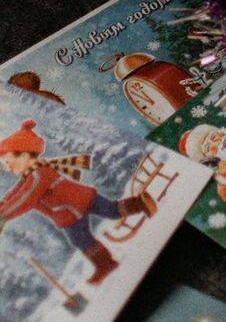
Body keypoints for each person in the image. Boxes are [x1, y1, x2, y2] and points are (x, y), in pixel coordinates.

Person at [0, 118, 155, 285]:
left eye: (7, 162)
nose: (7, 168)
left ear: (24, 155)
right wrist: (3, 205)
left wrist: (4, 215)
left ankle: (106, 263)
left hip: (71, 212)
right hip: (82, 198)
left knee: (82, 239)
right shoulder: (30, 175)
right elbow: (16, 193)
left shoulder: (37, 175)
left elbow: (25, 198)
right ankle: (140, 204)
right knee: (111, 211)